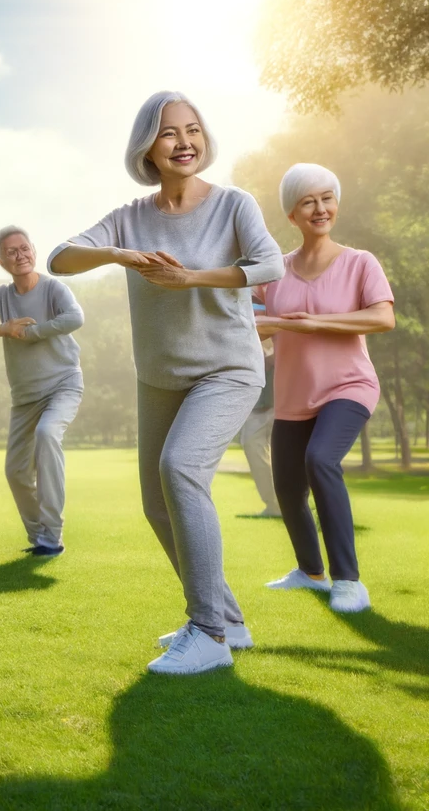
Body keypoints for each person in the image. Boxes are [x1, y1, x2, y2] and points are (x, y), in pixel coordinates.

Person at [48, 91, 284, 675]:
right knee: (157, 504)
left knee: (180, 469)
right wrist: (122, 256)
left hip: (227, 367)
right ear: (146, 146)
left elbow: (271, 265)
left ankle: (207, 634)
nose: (185, 142)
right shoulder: (129, 216)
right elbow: (59, 258)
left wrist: (192, 279)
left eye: (193, 130)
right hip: (159, 376)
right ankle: (228, 619)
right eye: (169, 132)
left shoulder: (233, 204)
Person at [257, 163, 394, 614]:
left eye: (327, 198)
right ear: (292, 215)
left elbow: (381, 317)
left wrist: (317, 323)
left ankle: (349, 581)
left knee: (321, 459)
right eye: (308, 202)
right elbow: (245, 322)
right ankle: (311, 573)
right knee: (287, 488)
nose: (321, 208)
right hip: (294, 395)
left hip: (348, 386)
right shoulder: (274, 270)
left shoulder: (359, 262)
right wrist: (264, 325)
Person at [0, 226, 84, 557]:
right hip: (25, 397)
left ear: (34, 251)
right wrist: (3, 328)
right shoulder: (0, 296)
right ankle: (39, 537)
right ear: (2, 262)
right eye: (11, 252)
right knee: (15, 471)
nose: (20, 255)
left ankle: (53, 536)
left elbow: (75, 317)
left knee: (47, 434)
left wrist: (35, 332)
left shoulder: (54, 288)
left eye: (24, 248)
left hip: (63, 383)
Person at [239, 299, 281, 518]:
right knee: (252, 445)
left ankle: (306, 505)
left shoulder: (278, 290)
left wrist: (271, 357)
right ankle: (275, 505)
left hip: (284, 396)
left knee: (299, 454)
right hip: (256, 400)